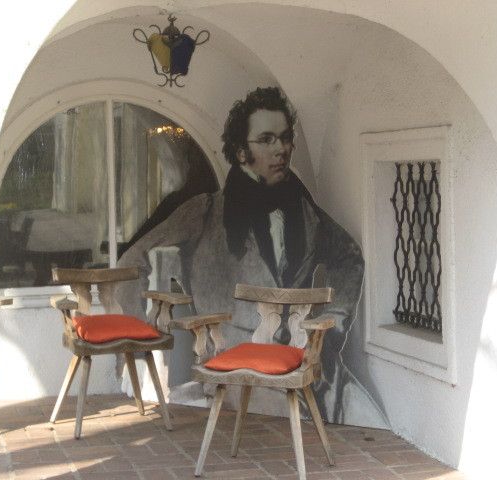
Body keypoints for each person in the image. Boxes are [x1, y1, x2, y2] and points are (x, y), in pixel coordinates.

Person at [116, 87, 381, 425]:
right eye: (267, 139)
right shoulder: (205, 212)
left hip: (309, 363)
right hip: (237, 363)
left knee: (366, 415)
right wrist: (140, 342)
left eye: (285, 138)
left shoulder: (304, 211)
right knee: (284, 420)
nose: (281, 149)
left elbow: (349, 257)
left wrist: (334, 321)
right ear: (241, 152)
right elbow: (130, 261)